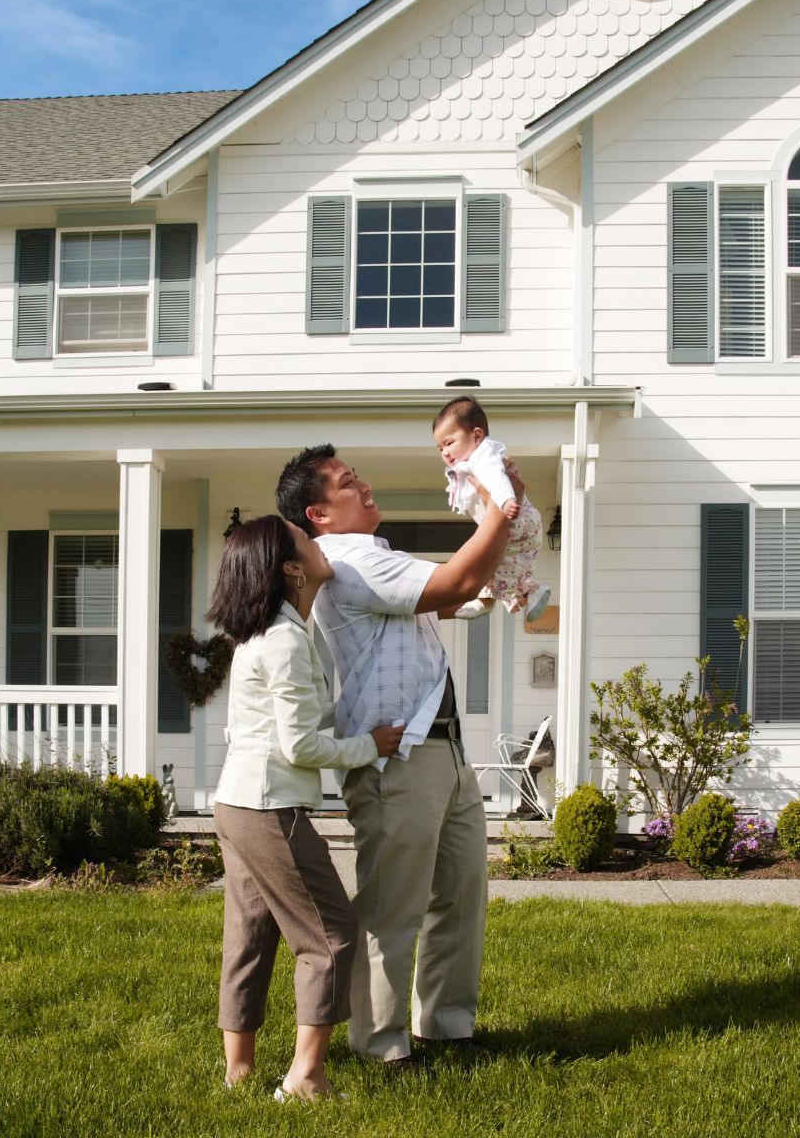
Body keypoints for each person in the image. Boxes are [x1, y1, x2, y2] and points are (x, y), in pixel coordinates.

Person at [276, 442, 521, 1068]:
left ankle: (447, 1026)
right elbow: (457, 580)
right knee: (393, 909)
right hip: (397, 760)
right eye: (346, 483)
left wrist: (496, 537)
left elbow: (447, 596)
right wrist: (499, 504)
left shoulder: (371, 557)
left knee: (459, 894)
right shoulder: (346, 561)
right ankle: (380, 1044)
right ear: (319, 516)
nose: (364, 486)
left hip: (443, 748)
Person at [206, 515, 406, 1099]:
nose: (320, 548)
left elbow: (280, 723)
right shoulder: (288, 639)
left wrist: (351, 712)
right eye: (306, 542)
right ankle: (306, 1076)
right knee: (331, 934)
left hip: (236, 802)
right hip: (269, 808)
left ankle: (238, 1073)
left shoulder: (267, 633)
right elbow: (299, 745)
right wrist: (369, 746)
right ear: (292, 568)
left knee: (250, 932)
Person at [432, 395, 550, 622]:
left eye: (449, 443)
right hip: (519, 522)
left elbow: (496, 478)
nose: (445, 453)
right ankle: (530, 592)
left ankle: (488, 600)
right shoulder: (470, 462)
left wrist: (507, 500)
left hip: (514, 516)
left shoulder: (482, 455)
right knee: (503, 563)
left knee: (487, 560)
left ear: (476, 436)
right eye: (439, 448)